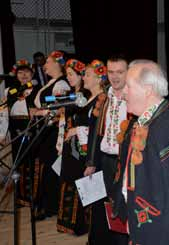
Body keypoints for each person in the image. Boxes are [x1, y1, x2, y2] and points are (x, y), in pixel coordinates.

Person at [111, 59, 169, 244]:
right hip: (144, 223)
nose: (123, 92)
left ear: (148, 90)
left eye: (128, 86)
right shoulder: (145, 120)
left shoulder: (165, 127)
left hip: (160, 229)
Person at [82, 58, 129, 245]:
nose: (115, 76)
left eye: (120, 72)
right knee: (105, 206)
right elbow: (95, 133)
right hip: (104, 161)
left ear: (128, 72)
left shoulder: (133, 97)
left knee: (122, 206)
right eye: (111, 72)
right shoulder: (104, 98)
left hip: (125, 162)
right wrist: (91, 162)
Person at [33, 50, 71, 219]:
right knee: (47, 168)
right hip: (46, 130)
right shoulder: (53, 83)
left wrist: (38, 112)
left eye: (47, 62)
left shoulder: (62, 84)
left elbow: (58, 109)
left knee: (51, 169)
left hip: (54, 131)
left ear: (57, 63)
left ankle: (51, 207)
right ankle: (47, 205)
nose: (44, 65)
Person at [56, 58, 90, 235]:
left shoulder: (86, 94)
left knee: (78, 180)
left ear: (80, 75)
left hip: (81, 145)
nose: (68, 77)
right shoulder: (69, 94)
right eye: (67, 74)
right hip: (70, 143)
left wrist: (76, 130)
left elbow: (88, 122)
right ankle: (66, 222)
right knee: (67, 178)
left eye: (71, 74)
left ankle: (79, 224)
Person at [1, 59, 41, 206]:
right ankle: (20, 196)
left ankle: (34, 196)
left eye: (27, 72)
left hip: (32, 126)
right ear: (16, 75)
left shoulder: (37, 90)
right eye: (20, 72)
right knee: (18, 161)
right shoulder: (10, 91)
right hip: (15, 126)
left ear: (32, 74)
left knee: (33, 161)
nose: (24, 75)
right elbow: (4, 113)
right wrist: (2, 133)